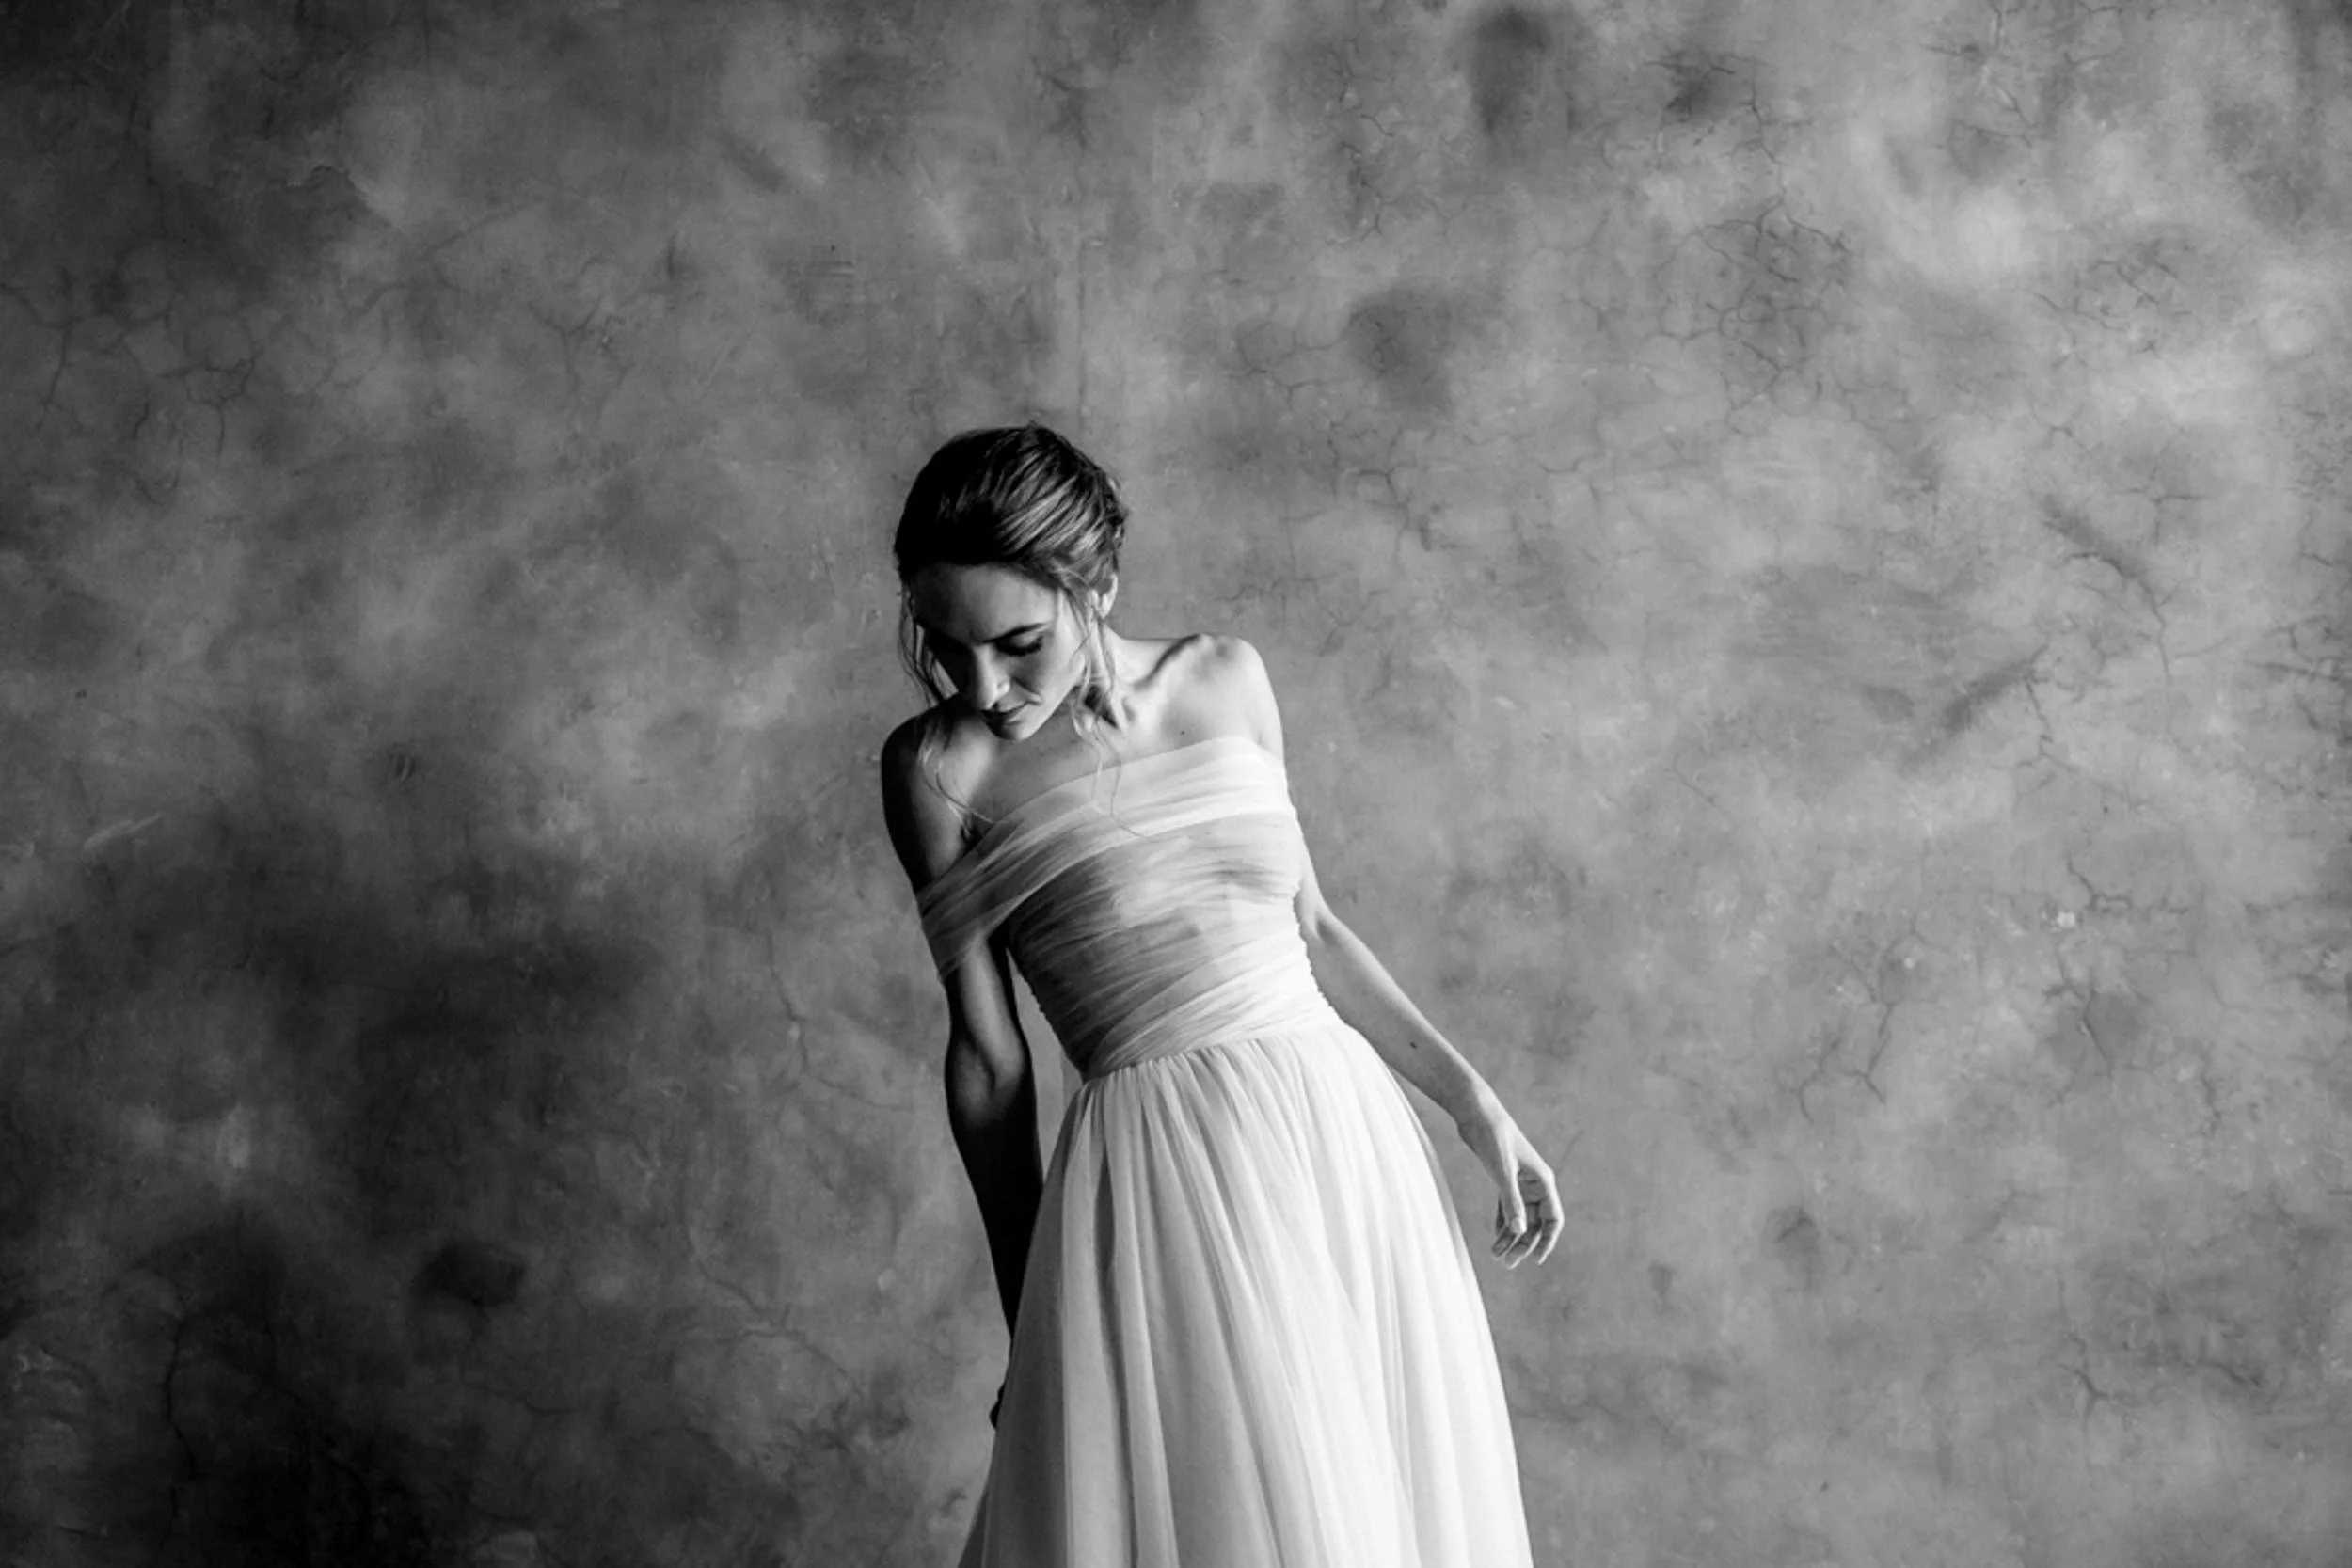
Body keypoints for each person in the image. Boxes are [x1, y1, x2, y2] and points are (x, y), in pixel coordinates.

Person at [880, 423, 1561, 1568]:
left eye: (1018, 642)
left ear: (1098, 584)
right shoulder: (939, 771)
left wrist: (1475, 1105)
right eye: (947, 651)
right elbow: (990, 1065)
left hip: (1340, 1145)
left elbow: (1312, 926)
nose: (984, 687)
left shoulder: (1227, 677)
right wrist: (1030, 1320)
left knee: (1367, 1504)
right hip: (1160, 1176)